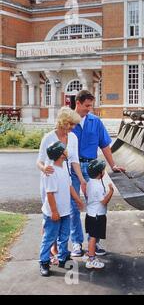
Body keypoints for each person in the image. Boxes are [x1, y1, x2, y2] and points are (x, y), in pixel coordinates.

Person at [70, 90, 125, 258]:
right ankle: (77, 243)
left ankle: (94, 242)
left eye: (91, 106)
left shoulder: (96, 122)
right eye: (87, 106)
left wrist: (113, 165)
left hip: (93, 169)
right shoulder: (69, 121)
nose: (90, 109)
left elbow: (105, 146)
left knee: (97, 205)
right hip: (73, 168)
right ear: (77, 103)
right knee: (73, 206)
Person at [37, 107, 85, 264]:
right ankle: (50, 252)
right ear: (63, 122)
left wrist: (81, 179)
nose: (72, 128)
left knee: (66, 213)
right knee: (50, 217)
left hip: (66, 179)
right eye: (70, 124)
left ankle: (61, 252)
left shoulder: (73, 138)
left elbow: (75, 161)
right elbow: (40, 160)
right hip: (50, 178)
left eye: (73, 125)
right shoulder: (49, 137)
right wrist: (44, 168)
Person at [39, 141, 84, 277]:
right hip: (54, 212)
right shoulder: (51, 172)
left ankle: (63, 257)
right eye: (65, 150)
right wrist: (54, 211)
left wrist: (77, 199)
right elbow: (50, 193)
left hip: (65, 211)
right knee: (49, 237)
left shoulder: (64, 167)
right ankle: (44, 262)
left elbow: (69, 186)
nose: (67, 151)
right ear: (60, 154)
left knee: (64, 236)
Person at [84, 159, 113, 269]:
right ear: (99, 173)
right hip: (97, 215)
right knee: (93, 237)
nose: (104, 171)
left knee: (92, 236)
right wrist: (111, 191)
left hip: (90, 214)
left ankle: (90, 254)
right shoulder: (98, 186)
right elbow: (104, 202)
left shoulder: (90, 183)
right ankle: (91, 259)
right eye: (103, 169)